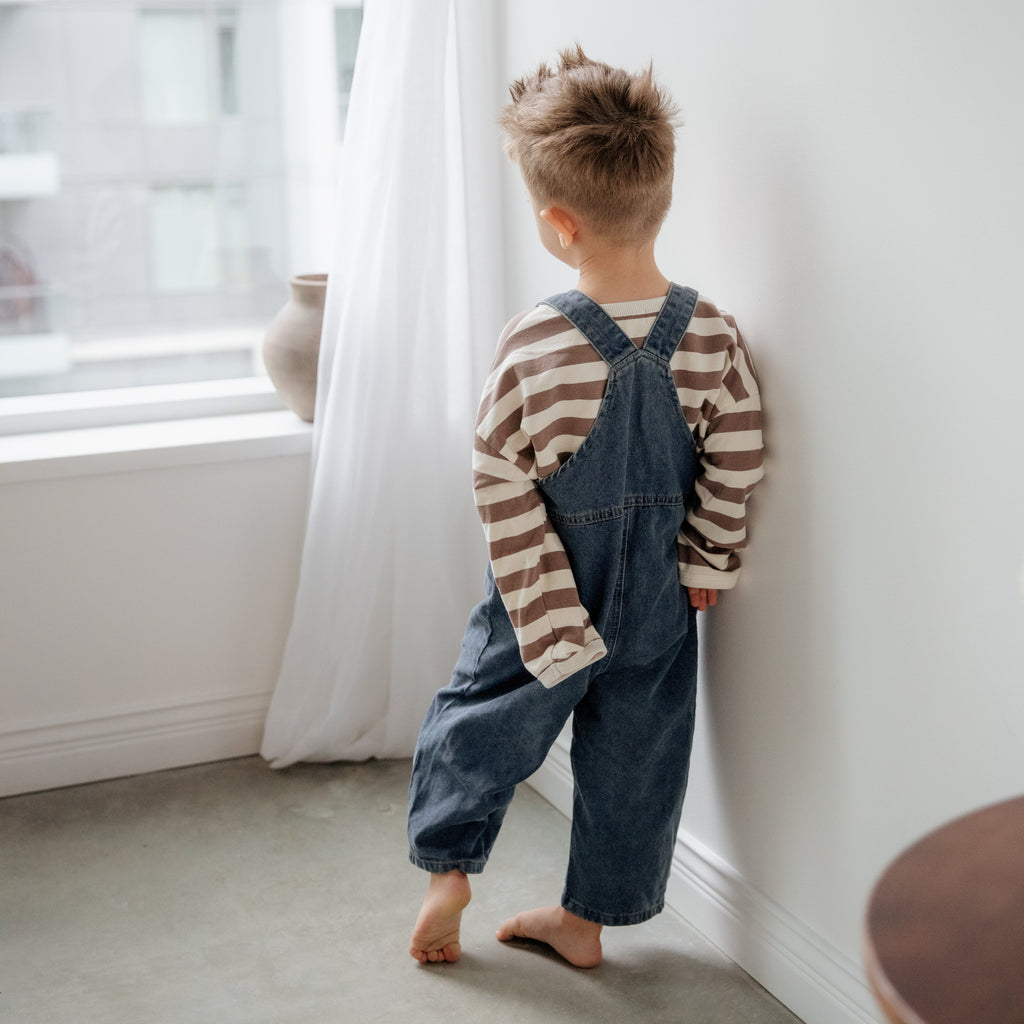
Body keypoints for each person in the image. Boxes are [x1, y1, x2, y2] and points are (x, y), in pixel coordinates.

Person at [406, 44, 765, 968]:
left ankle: (449, 869)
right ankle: (588, 922)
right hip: (660, 596)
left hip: (547, 591)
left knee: (480, 718)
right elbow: (736, 454)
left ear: (559, 225)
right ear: (661, 195)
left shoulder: (535, 341)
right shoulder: (712, 331)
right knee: (638, 756)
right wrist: (707, 560)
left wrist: (545, 613)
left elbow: (499, 477)